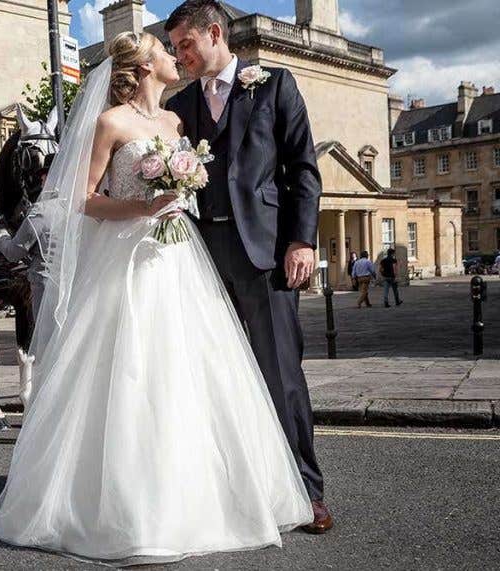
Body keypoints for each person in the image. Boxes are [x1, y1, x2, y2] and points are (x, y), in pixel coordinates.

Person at [0, 27, 313, 566]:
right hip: (128, 255)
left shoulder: (176, 121)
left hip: (180, 255)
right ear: (142, 67)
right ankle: (123, 505)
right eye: (166, 50)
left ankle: (206, 491)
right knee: (131, 369)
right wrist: (142, 207)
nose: (175, 56)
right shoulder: (109, 123)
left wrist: (179, 193)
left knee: (189, 370)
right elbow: (84, 199)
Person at [163, 0, 329, 530]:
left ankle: (306, 492)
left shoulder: (275, 86)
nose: (181, 56)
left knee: (280, 375)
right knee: (215, 379)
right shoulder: (181, 105)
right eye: (174, 49)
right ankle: (236, 490)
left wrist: (301, 241)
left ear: (215, 34)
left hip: (265, 256)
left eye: (185, 45)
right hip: (201, 262)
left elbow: (303, 167)